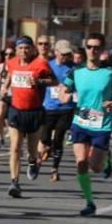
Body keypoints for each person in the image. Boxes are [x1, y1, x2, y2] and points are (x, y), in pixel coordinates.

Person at [61, 33, 112, 216]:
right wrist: (64, 97)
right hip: (80, 122)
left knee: (95, 167)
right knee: (81, 163)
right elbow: (65, 90)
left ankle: (106, 162)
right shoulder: (76, 71)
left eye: (96, 47)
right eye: (89, 47)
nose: (92, 50)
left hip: (102, 124)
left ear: (102, 50)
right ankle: (90, 203)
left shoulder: (110, 71)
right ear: (85, 48)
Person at [0, 36, 56, 198]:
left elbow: (54, 81)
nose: (23, 51)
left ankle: (32, 161)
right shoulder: (12, 63)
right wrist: (4, 88)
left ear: (32, 49)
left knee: (32, 149)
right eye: (20, 48)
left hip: (34, 111)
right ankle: (14, 182)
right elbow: (10, 76)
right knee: (15, 147)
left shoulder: (40, 63)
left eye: (26, 48)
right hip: (16, 110)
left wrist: (39, 81)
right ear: (16, 50)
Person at [40, 39, 76, 182]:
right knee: (45, 138)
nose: (65, 57)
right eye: (62, 54)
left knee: (59, 138)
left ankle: (55, 169)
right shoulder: (48, 65)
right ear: (56, 53)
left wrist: (70, 93)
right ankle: (47, 147)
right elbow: (40, 81)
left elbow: (79, 86)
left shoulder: (73, 68)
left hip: (66, 108)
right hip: (49, 107)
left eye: (67, 54)